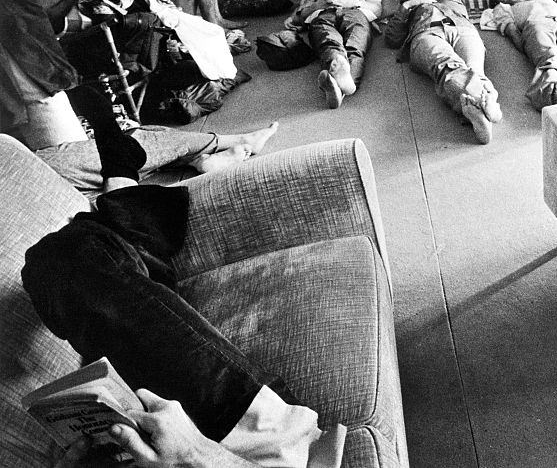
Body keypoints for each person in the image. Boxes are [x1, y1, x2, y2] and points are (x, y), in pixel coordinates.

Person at [25, 184, 343, 468]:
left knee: (59, 261)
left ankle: (132, 220)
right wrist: (195, 456)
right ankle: (132, 216)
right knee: (64, 259)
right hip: (253, 441)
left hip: (217, 439)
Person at [385, 0, 502, 144]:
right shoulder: (413, 5)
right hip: (426, 34)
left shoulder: (455, 0)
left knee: (475, 69)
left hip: (464, 30)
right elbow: (392, 39)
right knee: (447, 65)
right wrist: (408, 6)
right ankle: (487, 104)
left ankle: (476, 111)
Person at [32, 117, 279, 195]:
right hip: (32, 176)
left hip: (30, 175)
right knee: (138, 141)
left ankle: (199, 159)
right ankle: (238, 141)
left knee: (139, 138)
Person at [291, 0, 381, 109]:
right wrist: (316, 5)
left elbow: (378, 9)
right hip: (324, 15)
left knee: (355, 41)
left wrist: (354, 2)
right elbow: (298, 17)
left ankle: (340, 85)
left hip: (355, 14)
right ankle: (342, 75)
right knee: (327, 39)